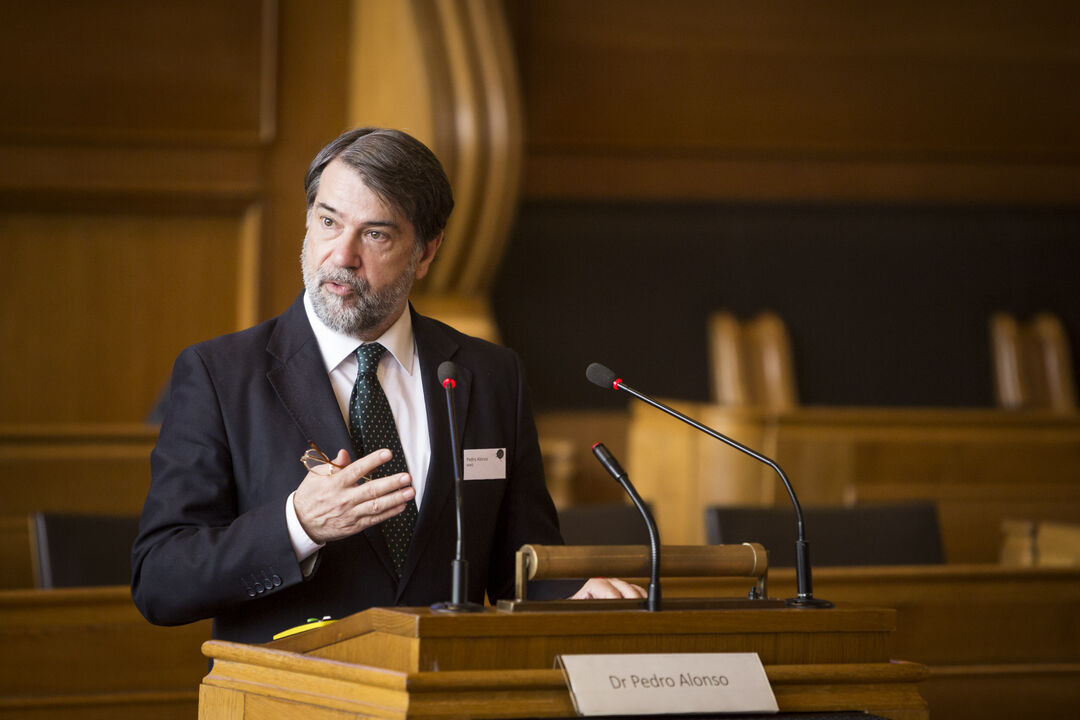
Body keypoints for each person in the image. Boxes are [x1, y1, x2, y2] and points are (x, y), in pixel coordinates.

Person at [131, 127, 641, 644]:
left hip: (445, 691)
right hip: (296, 697)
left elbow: (521, 558)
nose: (342, 255)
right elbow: (160, 580)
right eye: (329, 222)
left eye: (375, 234)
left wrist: (571, 595)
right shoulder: (219, 375)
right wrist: (297, 527)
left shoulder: (489, 376)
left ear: (425, 253)